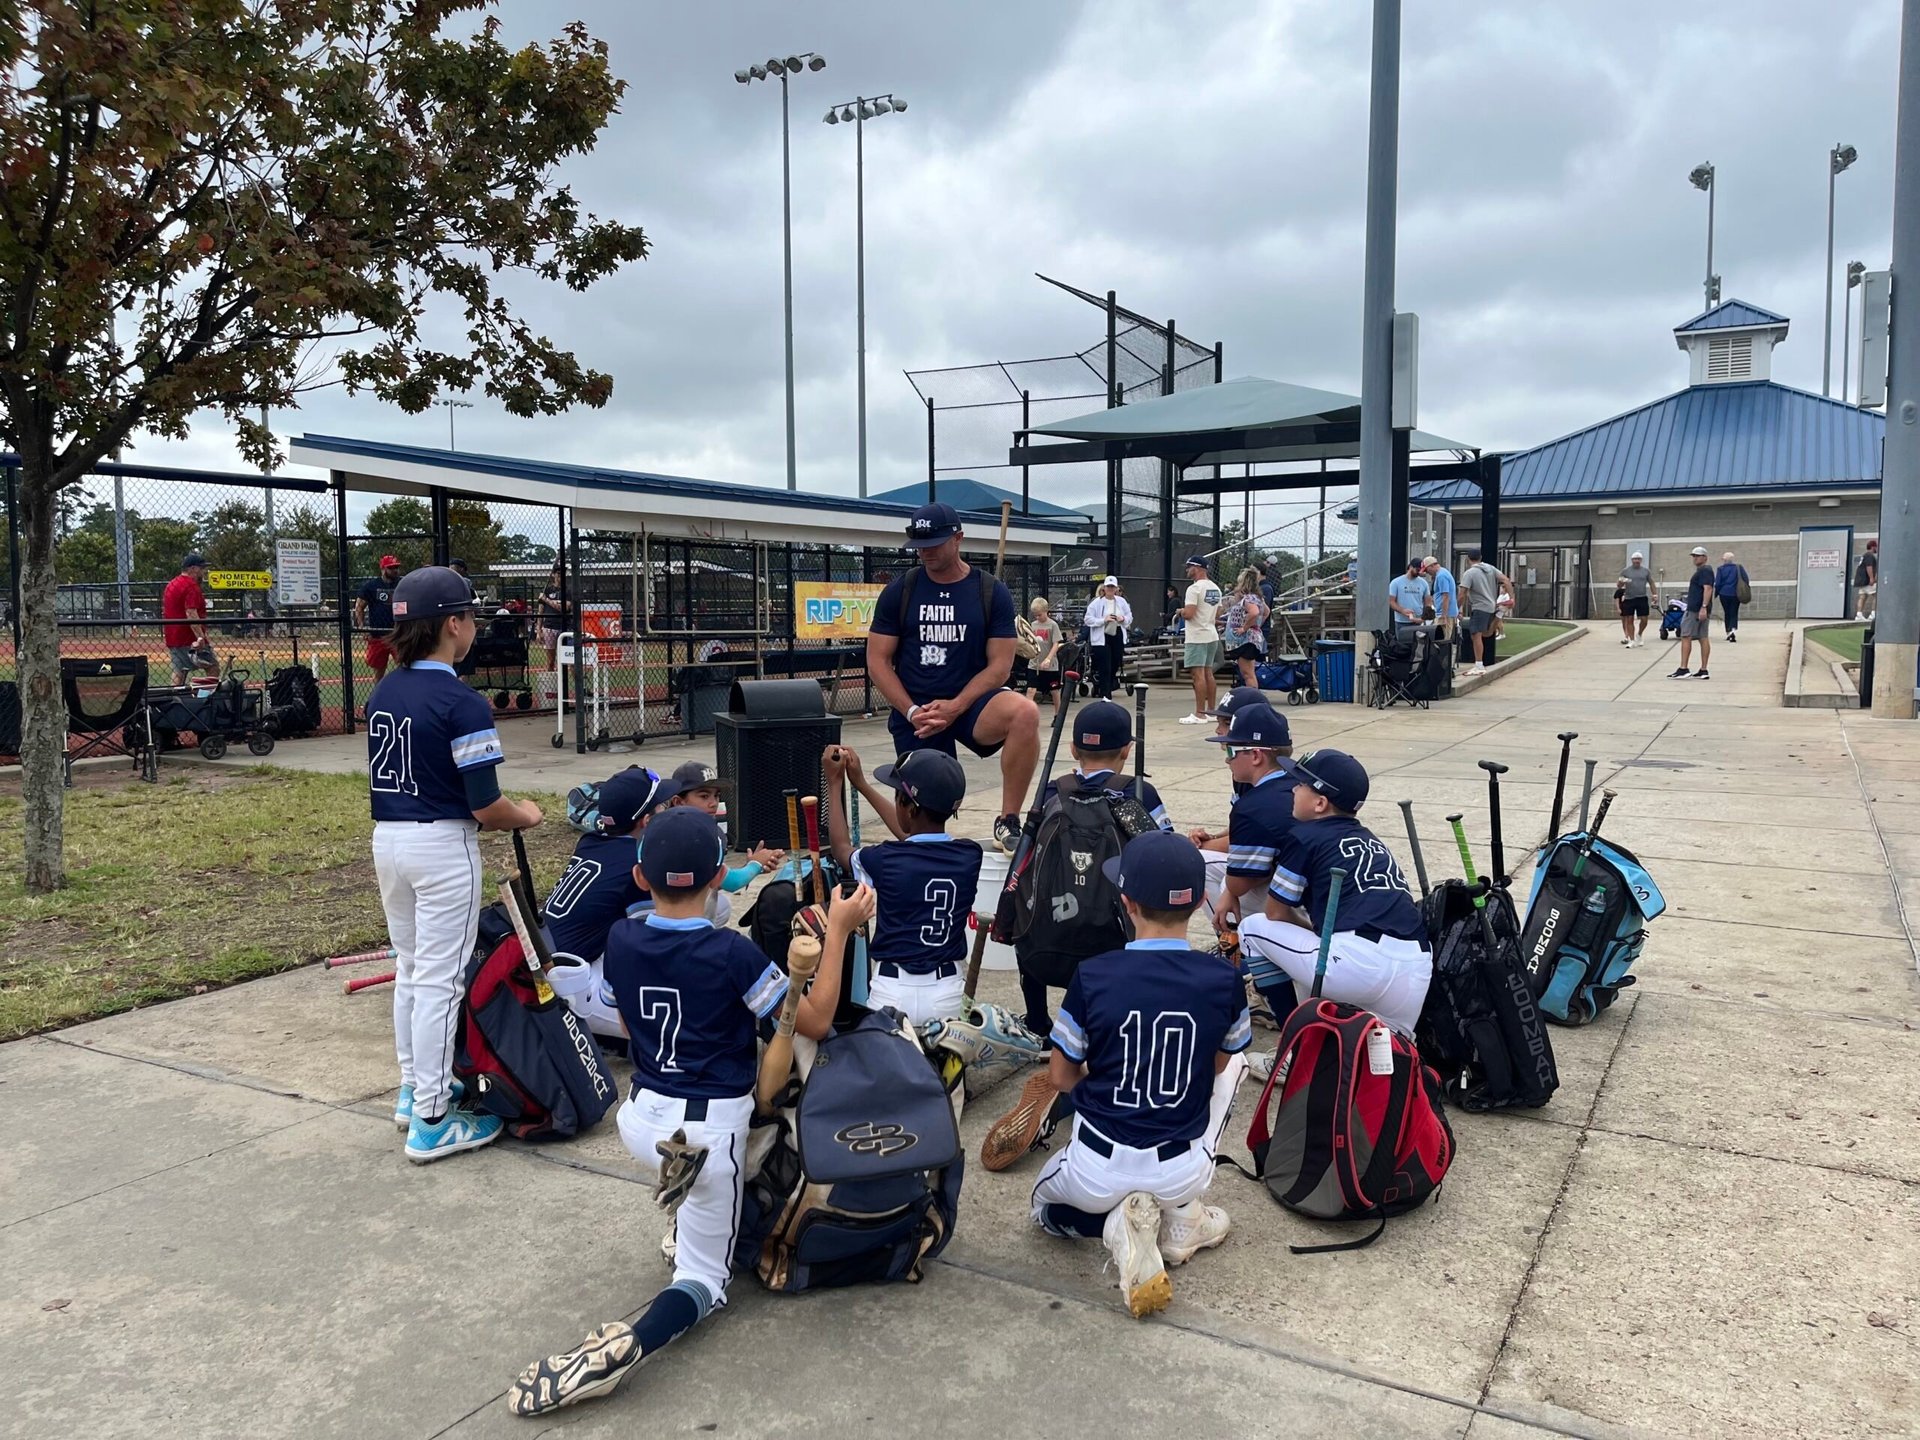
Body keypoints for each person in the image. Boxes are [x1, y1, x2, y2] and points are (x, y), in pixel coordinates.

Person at [506, 809, 873, 1415]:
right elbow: (816, 1020)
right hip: (705, 1133)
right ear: (717, 880)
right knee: (706, 1281)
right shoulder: (730, 950)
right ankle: (634, 1344)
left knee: (715, 1149)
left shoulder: (621, 938)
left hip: (641, 1117)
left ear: (643, 880)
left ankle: (688, 1210)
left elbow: (627, 1024)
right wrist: (836, 933)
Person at [1026, 831, 1252, 1319]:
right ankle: (1182, 1216)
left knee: (1041, 1211)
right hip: (1181, 1169)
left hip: (1097, 1166)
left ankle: (1113, 1226)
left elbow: (1063, 1077)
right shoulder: (1225, 980)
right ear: (1195, 902)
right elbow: (1215, 1066)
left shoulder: (1093, 974)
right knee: (1236, 1061)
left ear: (1127, 902)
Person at [366, 565, 543, 1162]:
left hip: (388, 839)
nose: (473, 628)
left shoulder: (386, 687)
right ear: (452, 626)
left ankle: (415, 1088)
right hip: (442, 845)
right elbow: (487, 806)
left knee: (413, 969)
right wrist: (528, 814)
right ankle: (433, 1119)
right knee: (440, 979)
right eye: (469, 617)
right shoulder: (460, 700)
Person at [866, 502, 1040, 854]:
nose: (925, 552)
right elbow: (878, 661)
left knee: (1026, 713)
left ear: (958, 538)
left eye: (934, 543)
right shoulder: (901, 591)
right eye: (918, 545)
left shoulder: (990, 592)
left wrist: (957, 706)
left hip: (972, 702)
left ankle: (1008, 820)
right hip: (919, 711)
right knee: (921, 823)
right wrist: (912, 711)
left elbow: (1000, 666)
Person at [1007, 699, 1176, 1048]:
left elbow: (1025, 856)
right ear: (1127, 750)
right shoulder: (1137, 793)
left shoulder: (1053, 792)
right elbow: (1166, 852)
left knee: (1027, 908)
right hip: (1115, 946)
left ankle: (1038, 1021)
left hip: (1046, 950)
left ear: (1072, 748)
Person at [1237, 749, 1431, 1040]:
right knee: (1390, 1055)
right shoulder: (1371, 839)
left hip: (1357, 965)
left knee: (1252, 930)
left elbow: (1275, 914)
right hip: (1416, 970)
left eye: (1301, 784)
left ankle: (1294, 1046)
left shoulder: (1304, 835)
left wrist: (1314, 931)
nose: (1293, 787)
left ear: (1320, 803)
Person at [823, 743, 982, 1027]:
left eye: (898, 797)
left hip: (892, 993)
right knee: (943, 1072)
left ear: (908, 809)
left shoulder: (883, 859)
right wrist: (860, 784)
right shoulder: (969, 856)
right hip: (948, 994)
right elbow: (912, 835)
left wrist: (835, 784)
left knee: (887, 1069)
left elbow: (840, 848)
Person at [665, 761, 784, 929]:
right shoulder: (701, 836)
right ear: (678, 802)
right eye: (704, 796)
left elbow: (707, 878)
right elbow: (732, 882)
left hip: (660, 914)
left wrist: (749, 866)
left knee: (722, 906)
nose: (713, 803)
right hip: (683, 925)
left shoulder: (664, 828)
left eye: (716, 795)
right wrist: (755, 865)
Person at [1177, 555, 1224, 725]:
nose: (1187, 570)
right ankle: (1211, 711)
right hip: (1211, 634)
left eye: (1189, 567)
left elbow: (1189, 614)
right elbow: (1218, 613)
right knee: (1208, 673)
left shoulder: (1194, 589)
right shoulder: (1215, 588)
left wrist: (1181, 611)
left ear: (1197, 568)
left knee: (1198, 676)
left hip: (1197, 636)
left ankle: (1199, 713)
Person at [160, 551, 218, 684]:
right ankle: (206, 697)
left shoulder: (172, 584)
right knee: (213, 667)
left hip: (173, 635)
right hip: (189, 636)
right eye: (201, 568)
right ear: (193, 568)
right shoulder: (191, 585)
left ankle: (175, 699)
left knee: (180, 670)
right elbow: (191, 613)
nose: (203, 571)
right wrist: (200, 637)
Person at [1460, 547, 1514, 675]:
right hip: (1491, 605)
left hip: (1479, 606)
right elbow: (1506, 580)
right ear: (1481, 558)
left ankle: (1479, 665)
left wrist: (1457, 608)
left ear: (1468, 559)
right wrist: (1512, 598)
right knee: (1487, 633)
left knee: (1476, 635)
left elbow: (1462, 593)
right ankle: (1499, 612)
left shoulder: (1469, 573)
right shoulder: (1490, 568)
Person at [355, 555, 404, 684]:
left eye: (397, 567)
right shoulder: (372, 586)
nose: (395, 570)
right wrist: (362, 627)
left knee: (404, 667)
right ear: (383, 569)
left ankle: (401, 695)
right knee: (379, 671)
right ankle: (378, 699)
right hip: (378, 635)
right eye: (391, 568)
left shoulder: (402, 584)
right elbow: (359, 607)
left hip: (397, 634)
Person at [1083, 576, 1132, 699]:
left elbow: (1129, 616)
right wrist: (1103, 620)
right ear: (1104, 588)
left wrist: (1123, 619)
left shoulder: (1121, 602)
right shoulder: (1096, 603)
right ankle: (1105, 694)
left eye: (1112, 587)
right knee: (1104, 665)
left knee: (1115, 662)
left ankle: (1109, 687)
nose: (1110, 589)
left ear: (1116, 588)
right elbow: (1088, 619)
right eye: (1108, 587)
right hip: (1102, 636)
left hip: (1117, 632)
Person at [1671, 546, 1714, 680]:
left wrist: (1703, 607)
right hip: (1699, 609)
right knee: (1702, 637)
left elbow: (1708, 589)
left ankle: (1684, 668)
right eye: (1694, 556)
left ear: (1705, 557)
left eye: (1698, 556)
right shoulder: (1703, 571)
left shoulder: (1705, 570)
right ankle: (1703, 670)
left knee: (1686, 636)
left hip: (1696, 609)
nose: (1695, 558)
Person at [1222, 567, 1270, 688]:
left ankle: (1252, 698)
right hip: (1251, 639)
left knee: (1247, 674)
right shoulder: (1257, 598)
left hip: (1245, 641)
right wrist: (1257, 625)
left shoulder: (1248, 599)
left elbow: (1254, 612)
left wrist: (1245, 627)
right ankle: (1252, 697)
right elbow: (1266, 612)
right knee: (1249, 672)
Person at [1021, 596, 1062, 709]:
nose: (1038, 617)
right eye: (1036, 615)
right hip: (1035, 663)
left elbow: (1056, 643)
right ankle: (1027, 713)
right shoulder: (1033, 625)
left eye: (1040, 614)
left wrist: (1049, 658)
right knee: (1031, 689)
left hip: (1050, 665)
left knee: (1054, 690)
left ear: (1046, 611)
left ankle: (1058, 714)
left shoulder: (1053, 625)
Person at [1619, 551, 1657, 647]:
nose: (1636, 561)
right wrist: (1622, 581)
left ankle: (1639, 634)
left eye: (1638, 559)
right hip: (1629, 598)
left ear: (1641, 560)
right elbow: (1619, 584)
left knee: (1644, 619)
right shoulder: (1625, 571)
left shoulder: (1646, 571)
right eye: (1635, 559)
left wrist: (1654, 594)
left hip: (1642, 597)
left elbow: (1651, 582)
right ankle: (1631, 640)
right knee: (1629, 619)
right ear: (1632, 560)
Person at [1387, 559, 1430, 634]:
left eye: (1421, 571)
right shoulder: (1396, 582)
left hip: (1418, 621)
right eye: (1417, 570)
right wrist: (1402, 610)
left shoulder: (1424, 583)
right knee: (1403, 644)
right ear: (1410, 567)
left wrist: (1425, 616)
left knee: (1418, 643)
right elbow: (1391, 601)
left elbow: (1428, 602)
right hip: (1402, 621)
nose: (1419, 572)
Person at [1715, 551, 1750, 642]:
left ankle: (1728, 631)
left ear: (1724, 560)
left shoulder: (1720, 569)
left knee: (1727, 613)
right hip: (1735, 594)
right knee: (1734, 612)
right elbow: (1746, 579)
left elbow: (1718, 583)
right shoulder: (1738, 568)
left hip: (1724, 594)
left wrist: (1715, 594)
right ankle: (1733, 629)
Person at [1423, 556, 1457, 639]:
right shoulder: (1443, 573)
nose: (1427, 573)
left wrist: (1443, 616)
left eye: (1427, 570)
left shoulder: (1441, 576)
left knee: (1442, 640)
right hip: (1444, 613)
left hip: (1445, 614)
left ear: (1432, 566)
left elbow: (1445, 596)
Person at [536, 562, 566, 655]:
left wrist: (546, 600)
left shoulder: (567, 590)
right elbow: (540, 612)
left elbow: (563, 608)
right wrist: (538, 630)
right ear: (553, 575)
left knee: (564, 657)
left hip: (563, 626)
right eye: (558, 573)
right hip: (549, 627)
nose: (560, 575)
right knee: (550, 660)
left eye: (562, 573)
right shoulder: (547, 591)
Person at [1855, 539, 1879, 621]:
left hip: (1861, 580)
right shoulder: (1870, 555)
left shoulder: (1864, 555)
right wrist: (1871, 578)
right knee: (1877, 595)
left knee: (1862, 597)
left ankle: (1859, 614)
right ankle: (1873, 614)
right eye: (1876, 547)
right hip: (1867, 580)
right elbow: (1869, 567)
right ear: (1873, 547)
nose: (1877, 548)